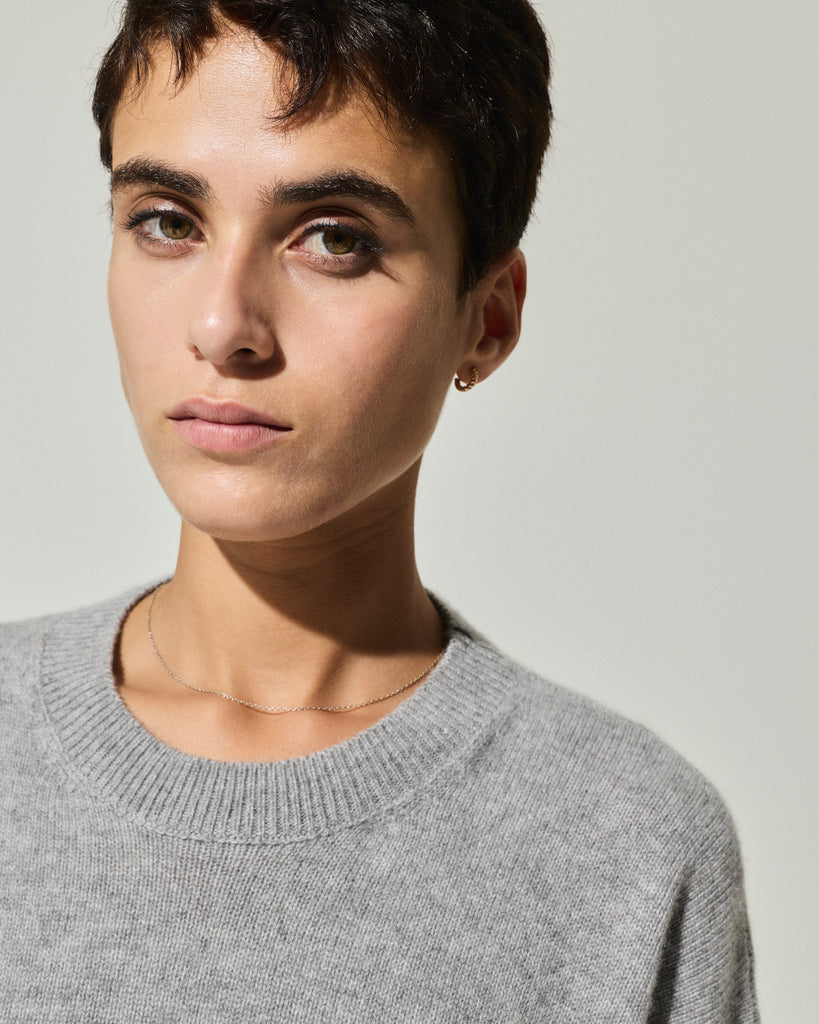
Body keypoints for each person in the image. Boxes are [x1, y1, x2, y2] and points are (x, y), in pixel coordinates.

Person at [0, 1, 759, 1020]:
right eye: (168, 221)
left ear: (487, 321)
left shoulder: (628, 847)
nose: (223, 326)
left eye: (333, 239)